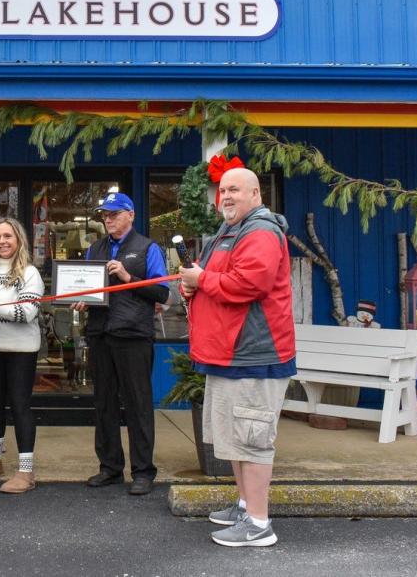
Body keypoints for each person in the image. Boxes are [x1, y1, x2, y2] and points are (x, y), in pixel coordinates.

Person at [179, 167, 296, 548]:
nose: (225, 196)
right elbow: (214, 280)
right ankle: (246, 505)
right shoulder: (230, 232)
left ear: (256, 193)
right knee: (233, 437)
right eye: (222, 190)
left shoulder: (260, 231)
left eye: (234, 190)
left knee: (252, 438)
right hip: (228, 355)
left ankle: (259, 525)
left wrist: (201, 281)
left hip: (253, 354)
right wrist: (192, 287)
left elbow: (250, 284)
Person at [74, 192, 169, 496]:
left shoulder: (148, 247)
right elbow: (89, 289)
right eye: (104, 215)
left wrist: (127, 275)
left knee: (138, 404)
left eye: (114, 214)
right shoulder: (95, 249)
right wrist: (82, 301)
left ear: (130, 214)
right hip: (101, 333)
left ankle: (143, 471)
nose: (108, 219)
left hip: (133, 335)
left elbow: (162, 293)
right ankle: (109, 468)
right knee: (104, 403)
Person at [0, 217, 44, 494]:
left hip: (21, 351)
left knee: (19, 406)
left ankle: (26, 471)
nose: (2, 241)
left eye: (8, 236)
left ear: (19, 240)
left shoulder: (29, 273)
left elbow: (26, 313)